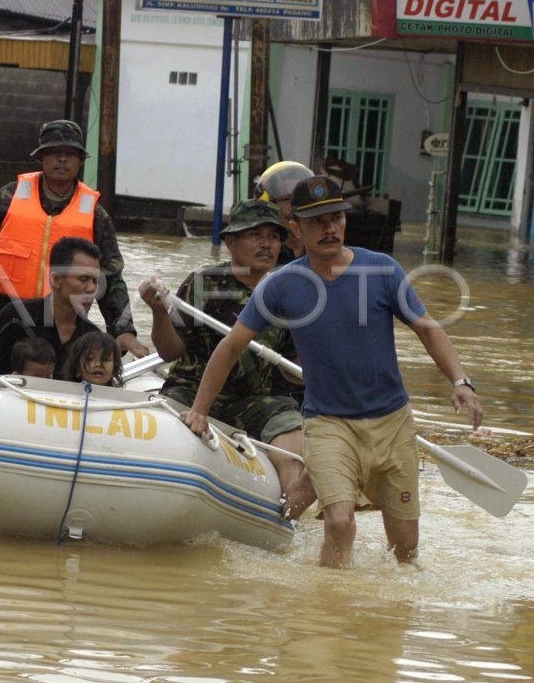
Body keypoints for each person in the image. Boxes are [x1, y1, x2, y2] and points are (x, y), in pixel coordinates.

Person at [179, 176, 483, 568]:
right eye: (317, 221)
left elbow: (427, 328)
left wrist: (460, 382)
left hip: (391, 422)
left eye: (336, 218)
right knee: (340, 524)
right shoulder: (281, 285)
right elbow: (232, 346)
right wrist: (200, 410)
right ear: (297, 229)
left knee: (405, 551)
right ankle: (327, 618)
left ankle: (312, 491)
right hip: (328, 422)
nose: (329, 228)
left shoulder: (382, 270)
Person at [140, 199, 314, 519]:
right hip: (191, 388)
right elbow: (170, 352)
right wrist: (158, 312)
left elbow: (293, 372)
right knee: (165, 429)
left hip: (257, 398)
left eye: (273, 236)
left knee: (292, 442)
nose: (266, 244)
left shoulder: (290, 293)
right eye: (255, 235)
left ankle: (289, 517)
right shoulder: (203, 284)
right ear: (231, 243)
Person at [0, 119, 147, 358]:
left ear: (80, 161)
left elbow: (111, 277)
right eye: (54, 153)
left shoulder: (95, 214)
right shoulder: (9, 197)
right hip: (8, 313)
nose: (62, 159)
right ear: (40, 158)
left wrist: (124, 330)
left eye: (70, 154)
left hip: (66, 319)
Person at [0, 236, 103, 381]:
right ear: (56, 280)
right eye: (83, 279)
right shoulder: (14, 316)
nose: (91, 288)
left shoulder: (92, 337)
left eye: (95, 281)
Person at [255, 160, 316, 264]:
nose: (294, 205)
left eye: (301, 198)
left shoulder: (323, 249)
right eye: (285, 199)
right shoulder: (258, 252)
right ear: (268, 205)